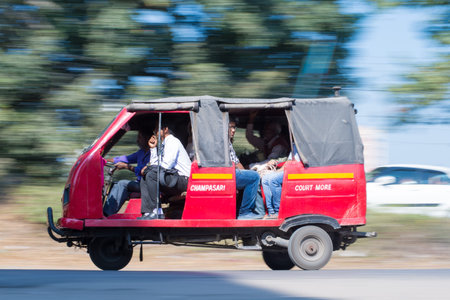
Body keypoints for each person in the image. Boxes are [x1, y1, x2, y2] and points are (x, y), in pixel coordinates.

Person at [138, 121, 191, 220]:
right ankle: (147, 212)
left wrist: (149, 168)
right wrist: (153, 149)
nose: (155, 132)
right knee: (146, 176)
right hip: (171, 177)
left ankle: (157, 211)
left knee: (151, 174)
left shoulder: (172, 142)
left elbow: (166, 165)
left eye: (157, 129)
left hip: (184, 180)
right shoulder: (163, 144)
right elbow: (156, 166)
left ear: (165, 129)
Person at [103, 130, 154, 217]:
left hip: (148, 185)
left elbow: (144, 171)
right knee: (114, 184)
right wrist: (105, 160)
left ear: (147, 139)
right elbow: (125, 158)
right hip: (139, 183)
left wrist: (127, 167)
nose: (138, 140)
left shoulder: (153, 153)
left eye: (140, 138)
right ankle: (108, 212)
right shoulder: (141, 153)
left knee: (122, 183)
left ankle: (107, 214)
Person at [229, 119, 263, 220]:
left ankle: (255, 211)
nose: (233, 130)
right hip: (226, 174)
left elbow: (236, 162)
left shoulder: (228, 143)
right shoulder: (221, 143)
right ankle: (245, 212)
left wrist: (245, 173)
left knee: (252, 175)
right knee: (255, 177)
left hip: (231, 172)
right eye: (230, 127)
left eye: (234, 127)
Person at [261, 145, 300, 219]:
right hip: (290, 168)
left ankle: (278, 211)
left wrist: (279, 171)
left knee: (273, 180)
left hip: (298, 170)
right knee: (265, 179)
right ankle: (270, 212)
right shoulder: (295, 145)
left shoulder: (303, 143)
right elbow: (289, 160)